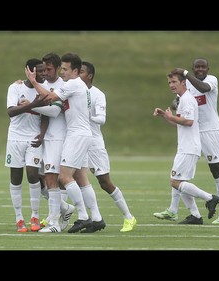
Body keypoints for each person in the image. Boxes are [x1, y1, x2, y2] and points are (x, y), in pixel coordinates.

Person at [25, 52, 103, 233]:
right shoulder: (78, 85)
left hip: (76, 135)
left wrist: (33, 82)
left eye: (66, 69)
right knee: (82, 179)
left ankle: (82, 216)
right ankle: (97, 218)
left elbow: (50, 97)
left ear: (75, 70)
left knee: (64, 177)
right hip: (81, 134)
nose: (62, 73)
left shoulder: (74, 84)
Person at [155, 58, 219, 225]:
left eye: (203, 66)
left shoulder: (211, 80)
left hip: (210, 131)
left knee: (216, 171)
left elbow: (203, 89)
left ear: (208, 68)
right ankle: (175, 210)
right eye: (197, 67)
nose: (200, 69)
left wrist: (185, 74)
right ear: (193, 68)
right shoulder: (187, 86)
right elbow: (176, 101)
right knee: (180, 174)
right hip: (193, 132)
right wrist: (175, 104)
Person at [79, 61, 137, 232]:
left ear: (89, 75)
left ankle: (129, 217)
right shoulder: (73, 91)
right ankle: (89, 217)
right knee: (72, 179)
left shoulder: (97, 94)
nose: (78, 74)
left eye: (81, 72)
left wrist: (85, 116)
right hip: (76, 142)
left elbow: (101, 119)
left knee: (104, 182)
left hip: (93, 143)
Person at [5, 58, 48, 232]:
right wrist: (33, 105)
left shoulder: (43, 90)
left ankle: (35, 216)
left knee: (33, 174)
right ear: (29, 71)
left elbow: (46, 115)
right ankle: (19, 218)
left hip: (33, 138)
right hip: (15, 139)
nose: (44, 74)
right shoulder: (15, 87)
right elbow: (11, 111)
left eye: (45, 70)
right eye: (40, 71)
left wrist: (43, 134)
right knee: (16, 178)